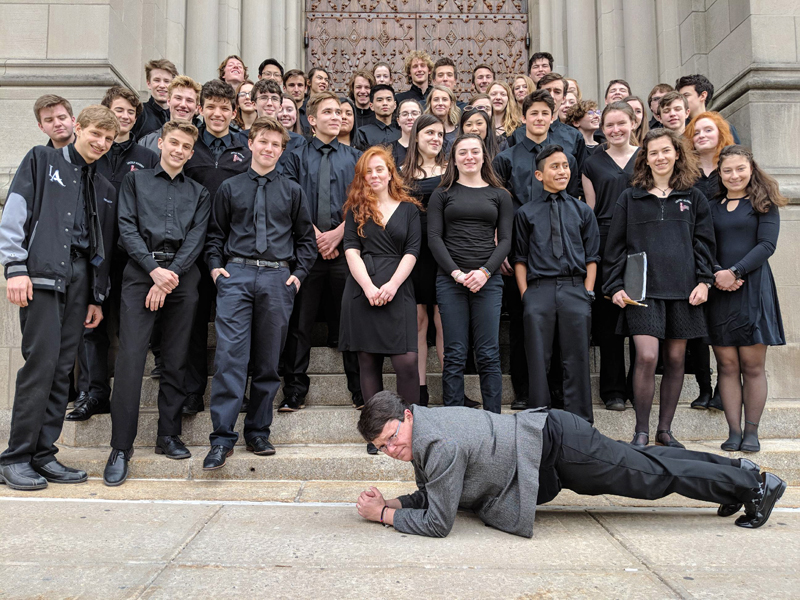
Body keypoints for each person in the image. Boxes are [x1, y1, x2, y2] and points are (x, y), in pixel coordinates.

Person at [354, 391, 786, 537]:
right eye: (382, 447)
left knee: (650, 476)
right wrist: (393, 499)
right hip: (545, 455)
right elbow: (435, 493)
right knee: (650, 462)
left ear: (407, 415)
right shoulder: (425, 430)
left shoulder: (438, 442)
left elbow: (438, 522)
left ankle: (757, 487)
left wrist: (385, 516)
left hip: (557, 447)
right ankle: (738, 477)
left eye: (392, 437)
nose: (392, 449)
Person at [0, 105, 119, 490]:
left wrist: (96, 297)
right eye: (95, 134)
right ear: (78, 129)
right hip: (42, 276)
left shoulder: (101, 185)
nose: (101, 143)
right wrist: (15, 267)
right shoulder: (41, 159)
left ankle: (42, 454)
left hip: (80, 282)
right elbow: (15, 212)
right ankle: (15, 457)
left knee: (63, 369)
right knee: (40, 365)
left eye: (109, 138)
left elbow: (99, 245)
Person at [202, 117, 316, 470]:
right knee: (229, 359)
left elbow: (306, 241)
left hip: (276, 279)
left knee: (268, 361)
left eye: (275, 145)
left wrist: (297, 276)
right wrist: (216, 269)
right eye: (263, 141)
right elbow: (215, 235)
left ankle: (258, 431)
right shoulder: (231, 188)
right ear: (250, 143)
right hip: (236, 276)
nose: (268, 149)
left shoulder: (293, 190)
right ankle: (222, 438)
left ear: (282, 150)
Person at [102, 120, 210, 485]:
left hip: (181, 278)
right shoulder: (135, 181)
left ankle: (168, 435)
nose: (178, 150)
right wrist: (153, 271)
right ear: (161, 143)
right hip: (139, 273)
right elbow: (126, 227)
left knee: (177, 357)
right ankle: (120, 447)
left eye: (185, 146)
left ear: (191, 153)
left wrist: (168, 278)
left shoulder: (199, 192)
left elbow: (197, 239)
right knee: (131, 358)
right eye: (173, 143)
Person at [603, 129, 716, 449]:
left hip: (683, 290)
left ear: (677, 154)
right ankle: (641, 430)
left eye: (666, 151)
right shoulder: (630, 196)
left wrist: (705, 281)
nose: (660, 157)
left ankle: (664, 430)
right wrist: (613, 286)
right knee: (647, 356)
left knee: (677, 359)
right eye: (653, 153)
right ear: (646, 158)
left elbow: (704, 243)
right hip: (642, 291)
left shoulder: (693, 196)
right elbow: (616, 246)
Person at [64, 86, 160, 423]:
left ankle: (124, 393)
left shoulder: (147, 158)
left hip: (131, 254)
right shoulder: (92, 152)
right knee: (92, 326)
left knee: (126, 326)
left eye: (132, 112)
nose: (126, 116)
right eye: (120, 110)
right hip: (92, 253)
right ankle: (93, 392)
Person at [493, 91, 582, 410]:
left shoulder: (565, 158)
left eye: (546, 113)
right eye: (534, 113)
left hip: (557, 253)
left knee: (560, 326)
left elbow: (571, 202)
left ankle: (557, 390)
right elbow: (498, 203)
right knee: (521, 321)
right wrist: (500, 246)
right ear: (524, 116)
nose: (540, 118)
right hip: (519, 248)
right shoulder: (507, 157)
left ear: (552, 115)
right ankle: (525, 390)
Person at [281, 91, 363, 411]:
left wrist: (339, 234)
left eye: (340, 112)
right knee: (300, 324)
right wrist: (316, 236)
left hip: (345, 251)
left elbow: (361, 202)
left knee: (351, 322)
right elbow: (289, 197)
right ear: (311, 120)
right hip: (306, 251)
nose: (336, 117)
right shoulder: (295, 156)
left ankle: (359, 390)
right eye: (327, 112)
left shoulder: (355, 156)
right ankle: (295, 390)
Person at [340, 147, 422, 455]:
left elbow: (413, 251)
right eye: (368, 172)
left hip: (398, 287)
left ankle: (412, 429)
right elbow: (351, 250)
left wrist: (391, 285)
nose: (374, 176)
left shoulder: (410, 209)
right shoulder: (356, 208)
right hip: (363, 290)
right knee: (368, 361)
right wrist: (370, 286)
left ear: (390, 172)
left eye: (379, 170)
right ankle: (376, 434)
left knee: (407, 362)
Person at [708, 145, 786, 453]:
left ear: (750, 168)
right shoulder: (711, 205)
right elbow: (703, 242)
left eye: (740, 169)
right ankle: (734, 431)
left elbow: (767, 245)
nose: (734, 175)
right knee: (726, 365)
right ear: (720, 173)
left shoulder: (763, 203)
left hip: (753, 289)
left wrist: (736, 271)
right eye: (727, 170)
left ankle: (752, 432)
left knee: (752, 365)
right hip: (719, 291)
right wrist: (718, 273)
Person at [513, 145, 600, 423]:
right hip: (539, 290)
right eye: (555, 166)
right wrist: (526, 295)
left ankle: (580, 420)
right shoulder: (525, 213)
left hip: (575, 288)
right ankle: (539, 418)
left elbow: (592, 256)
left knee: (577, 357)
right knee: (538, 358)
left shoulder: (583, 211)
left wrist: (587, 290)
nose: (562, 171)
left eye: (565, 165)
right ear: (539, 174)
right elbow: (520, 258)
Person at [181, 79, 252, 416]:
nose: (217, 113)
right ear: (200, 108)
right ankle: (193, 391)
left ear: (233, 112)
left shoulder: (245, 148)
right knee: (194, 321)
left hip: (234, 246)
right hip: (192, 247)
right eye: (211, 106)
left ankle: (236, 391)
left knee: (235, 324)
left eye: (225, 107)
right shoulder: (188, 145)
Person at [428, 134, 513, 413]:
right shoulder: (442, 194)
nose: (469, 157)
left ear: (483, 156)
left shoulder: (500, 195)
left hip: (488, 281)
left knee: (488, 353)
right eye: (462, 152)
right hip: (451, 281)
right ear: (453, 159)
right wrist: (456, 273)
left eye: (474, 151)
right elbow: (434, 239)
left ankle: (493, 419)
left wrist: (485, 272)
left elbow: (505, 242)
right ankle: (455, 420)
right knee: (454, 354)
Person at [581, 102, 639, 411]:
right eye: (609, 124)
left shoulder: (646, 157)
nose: (615, 130)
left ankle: (637, 386)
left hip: (641, 239)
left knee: (640, 314)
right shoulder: (592, 162)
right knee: (608, 320)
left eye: (621, 123)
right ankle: (613, 389)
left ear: (633, 123)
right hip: (604, 240)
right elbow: (589, 208)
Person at [684, 111, 736, 411]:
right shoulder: (687, 173)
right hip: (697, 254)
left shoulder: (729, 169)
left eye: (708, 130)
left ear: (720, 134)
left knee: (723, 325)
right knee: (700, 326)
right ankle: (704, 386)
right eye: (697, 131)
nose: (702, 135)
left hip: (728, 253)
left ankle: (724, 387)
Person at [401, 115, 447, 407]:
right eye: (430, 132)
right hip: (415, 253)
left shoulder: (451, 170)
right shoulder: (402, 172)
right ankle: (419, 391)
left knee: (445, 320)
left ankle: (450, 388)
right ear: (416, 136)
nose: (436, 138)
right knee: (418, 320)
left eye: (441, 134)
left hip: (444, 251)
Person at [138, 76, 202, 153]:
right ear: (168, 101)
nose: (183, 105)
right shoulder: (147, 143)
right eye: (178, 98)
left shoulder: (205, 144)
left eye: (189, 100)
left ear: (196, 107)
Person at [676, 74, 741, 143]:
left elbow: (737, 152)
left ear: (703, 96)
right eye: (679, 97)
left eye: (686, 96)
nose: (681, 101)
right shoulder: (678, 128)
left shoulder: (724, 127)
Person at [131, 59, 178, 139]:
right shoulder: (139, 113)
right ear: (149, 84)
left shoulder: (179, 115)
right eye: (157, 80)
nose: (162, 85)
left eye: (166, 81)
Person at [353, 85, 400, 151]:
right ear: (371, 106)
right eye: (380, 100)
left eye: (389, 99)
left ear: (395, 105)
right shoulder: (362, 133)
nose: (385, 103)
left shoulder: (402, 132)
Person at [424, 85, 460, 150]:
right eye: (436, 99)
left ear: (451, 104)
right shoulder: (423, 130)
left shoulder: (460, 131)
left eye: (444, 99)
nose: (440, 103)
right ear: (430, 103)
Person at [391, 98, 423, 167]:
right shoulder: (389, 150)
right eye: (404, 114)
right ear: (398, 121)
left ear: (422, 118)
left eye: (414, 113)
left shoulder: (429, 147)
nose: (409, 118)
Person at [283, 69, 309, 134]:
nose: (296, 90)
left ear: (305, 88)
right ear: (284, 88)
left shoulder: (312, 112)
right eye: (292, 85)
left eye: (300, 85)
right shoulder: (278, 112)